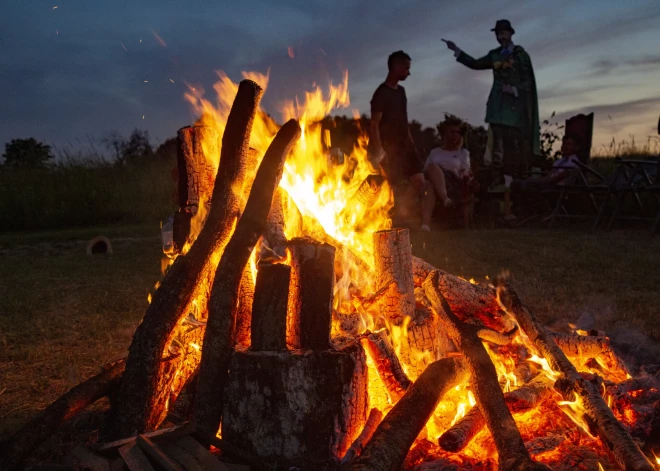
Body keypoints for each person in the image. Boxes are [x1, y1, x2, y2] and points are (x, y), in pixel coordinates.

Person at [442, 19, 540, 186]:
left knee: (511, 147)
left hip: (513, 110)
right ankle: (496, 184)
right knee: (496, 147)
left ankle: (510, 186)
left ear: (510, 33)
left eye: (503, 33)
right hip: (496, 106)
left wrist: (515, 90)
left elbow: (528, 81)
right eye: (497, 34)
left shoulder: (520, 55)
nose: (500, 37)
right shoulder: (494, 54)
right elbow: (475, 64)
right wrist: (457, 51)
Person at [368, 50, 431, 226]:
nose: (408, 72)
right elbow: (374, 124)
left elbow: (403, 120)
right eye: (405, 68)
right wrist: (379, 150)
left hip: (405, 146)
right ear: (395, 66)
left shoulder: (401, 91)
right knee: (390, 185)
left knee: (419, 180)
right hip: (388, 147)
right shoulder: (381, 93)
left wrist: (411, 143)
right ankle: (393, 219)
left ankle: (403, 211)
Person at [421, 116, 479, 231]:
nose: (455, 135)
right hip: (435, 184)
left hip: (455, 184)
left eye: (457, 132)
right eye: (452, 132)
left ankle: (445, 198)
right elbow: (425, 171)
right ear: (444, 133)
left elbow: (465, 171)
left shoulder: (463, 153)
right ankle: (426, 225)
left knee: (433, 169)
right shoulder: (435, 152)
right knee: (429, 184)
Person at [509, 133, 582, 219]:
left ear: (576, 147)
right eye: (564, 143)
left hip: (558, 188)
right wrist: (537, 180)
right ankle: (527, 210)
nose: (565, 146)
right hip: (548, 184)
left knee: (527, 185)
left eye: (569, 144)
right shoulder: (559, 161)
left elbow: (556, 178)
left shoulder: (574, 162)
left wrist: (537, 181)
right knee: (515, 183)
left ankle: (545, 210)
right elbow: (549, 175)